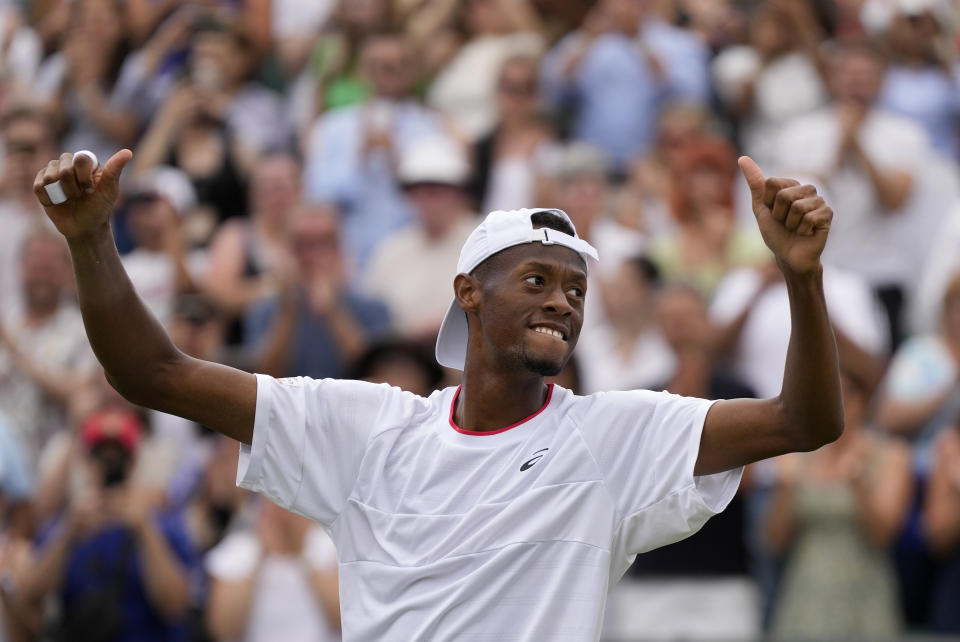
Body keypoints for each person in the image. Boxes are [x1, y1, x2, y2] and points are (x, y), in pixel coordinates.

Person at [33, 148, 843, 641]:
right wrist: (92, 240)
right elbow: (154, 374)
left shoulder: (617, 435)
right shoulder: (365, 428)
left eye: (576, 288)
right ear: (469, 292)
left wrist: (802, 280)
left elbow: (805, 421)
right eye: (537, 279)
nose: (564, 300)